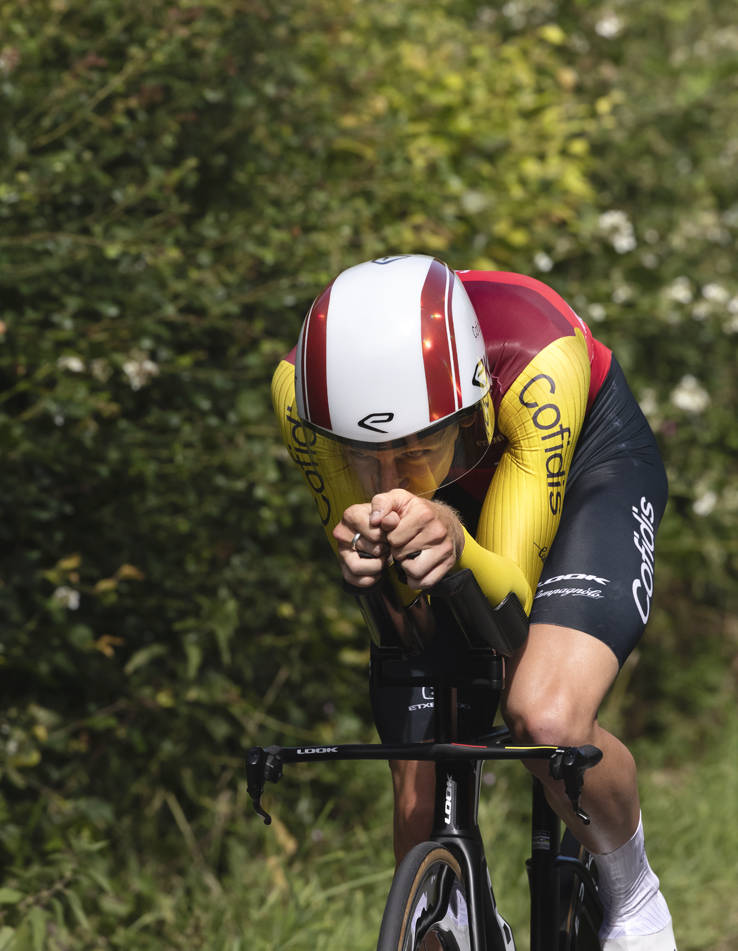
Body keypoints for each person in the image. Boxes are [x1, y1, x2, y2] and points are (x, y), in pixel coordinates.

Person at [272, 255, 675, 951]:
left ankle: (634, 896)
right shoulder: (298, 398)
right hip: (463, 479)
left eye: (414, 447)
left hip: (584, 467)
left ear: (473, 399)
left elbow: (510, 601)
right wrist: (370, 561)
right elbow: (407, 614)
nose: (393, 478)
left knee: (544, 714)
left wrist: (456, 538)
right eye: (364, 456)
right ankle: (461, 915)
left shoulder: (538, 355)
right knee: (418, 783)